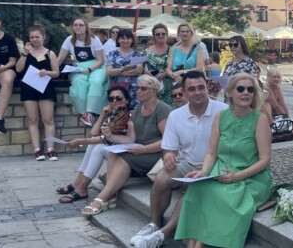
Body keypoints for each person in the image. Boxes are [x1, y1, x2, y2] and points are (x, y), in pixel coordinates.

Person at [130, 71, 228, 248]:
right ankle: (155, 224)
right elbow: (169, 148)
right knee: (161, 178)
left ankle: (162, 234)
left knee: (195, 189)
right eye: (192, 89)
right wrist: (167, 156)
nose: (197, 92)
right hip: (187, 162)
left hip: (215, 164)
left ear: (207, 87)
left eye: (201, 87)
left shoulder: (223, 110)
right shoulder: (176, 116)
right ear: (184, 92)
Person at [174, 73, 272, 248]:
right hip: (222, 170)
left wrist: (237, 176)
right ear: (230, 93)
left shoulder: (260, 119)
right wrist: (203, 172)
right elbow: (211, 153)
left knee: (219, 196)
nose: (246, 93)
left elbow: (264, 160)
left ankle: (199, 245)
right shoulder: (221, 117)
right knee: (196, 189)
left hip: (252, 177)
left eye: (250, 89)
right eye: (240, 89)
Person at [83, 75, 172, 215]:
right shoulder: (137, 110)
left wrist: (142, 150)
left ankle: (101, 199)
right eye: (137, 88)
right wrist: (111, 137)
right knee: (113, 152)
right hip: (140, 149)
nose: (138, 91)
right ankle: (111, 196)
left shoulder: (162, 109)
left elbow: (167, 141)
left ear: (154, 91)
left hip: (156, 153)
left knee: (125, 159)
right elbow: (132, 138)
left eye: (143, 88)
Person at [56, 86, 134, 203]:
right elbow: (92, 135)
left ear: (127, 100)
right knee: (93, 145)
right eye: (111, 99)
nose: (114, 101)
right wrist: (103, 115)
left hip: (127, 153)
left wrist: (80, 141)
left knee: (99, 148)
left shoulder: (128, 116)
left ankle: (82, 188)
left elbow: (104, 140)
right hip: (115, 150)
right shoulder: (114, 117)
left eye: (118, 98)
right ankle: (78, 182)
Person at [15, 25, 61, 160]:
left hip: (45, 87)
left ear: (43, 37)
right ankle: (37, 149)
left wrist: (47, 73)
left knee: (48, 119)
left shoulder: (50, 53)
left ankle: (51, 148)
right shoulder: (25, 52)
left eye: (37, 37)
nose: (34, 40)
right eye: (32, 37)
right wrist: (24, 53)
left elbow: (56, 73)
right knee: (32, 119)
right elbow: (18, 69)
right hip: (28, 87)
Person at [58, 18, 107, 126]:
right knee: (78, 83)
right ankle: (83, 112)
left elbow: (101, 60)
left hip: (96, 66)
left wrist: (89, 69)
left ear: (86, 28)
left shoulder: (94, 39)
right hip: (79, 67)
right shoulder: (69, 39)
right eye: (75, 25)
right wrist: (52, 71)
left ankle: (90, 112)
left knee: (96, 82)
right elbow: (60, 58)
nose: (78, 27)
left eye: (81, 25)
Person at [106, 29, 143, 109]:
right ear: (118, 39)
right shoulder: (112, 53)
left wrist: (119, 72)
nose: (125, 41)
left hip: (133, 88)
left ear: (132, 40)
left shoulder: (138, 54)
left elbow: (139, 70)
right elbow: (109, 72)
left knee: (134, 110)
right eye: (123, 38)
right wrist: (123, 69)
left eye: (128, 38)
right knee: (118, 110)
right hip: (117, 87)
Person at [143, 24, 173, 105]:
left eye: (163, 33)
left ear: (167, 34)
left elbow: (176, 66)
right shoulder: (146, 51)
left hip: (170, 88)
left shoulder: (173, 50)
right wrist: (145, 73)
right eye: (158, 34)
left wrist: (163, 74)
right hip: (153, 87)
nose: (161, 35)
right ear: (154, 36)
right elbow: (136, 66)